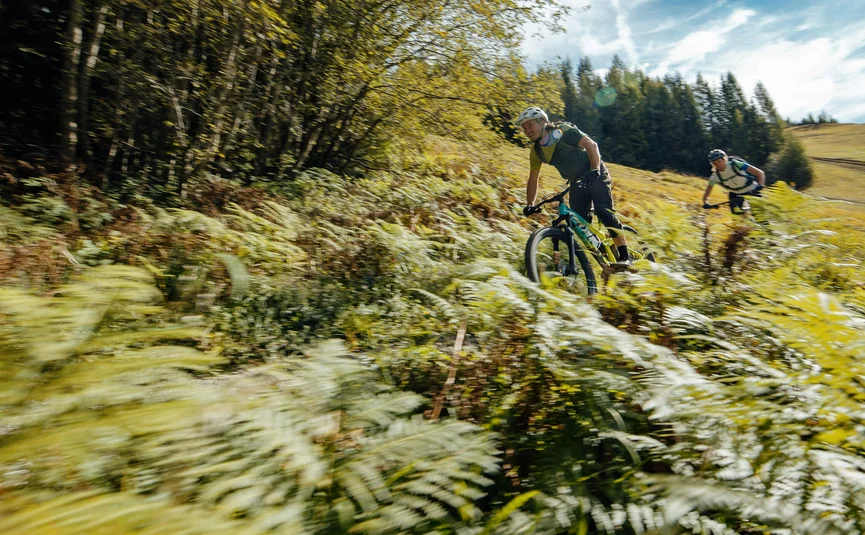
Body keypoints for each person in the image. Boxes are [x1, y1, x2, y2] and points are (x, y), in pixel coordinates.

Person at [517, 107, 631, 266]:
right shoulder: (536, 151)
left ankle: (625, 257)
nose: (527, 130)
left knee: (603, 211)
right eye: (524, 128)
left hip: (594, 170)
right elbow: (533, 178)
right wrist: (530, 204)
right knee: (581, 225)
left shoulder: (563, 131)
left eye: (530, 125)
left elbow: (591, 145)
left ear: (543, 122)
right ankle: (606, 261)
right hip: (576, 181)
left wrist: (595, 170)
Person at [702, 149, 766, 214]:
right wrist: (706, 203)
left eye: (719, 161)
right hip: (735, 196)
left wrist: (760, 186)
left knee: (760, 216)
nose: (718, 165)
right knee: (737, 218)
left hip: (752, 190)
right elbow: (706, 194)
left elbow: (759, 173)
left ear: (724, 159)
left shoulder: (735, 164)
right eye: (714, 163)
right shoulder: (715, 176)